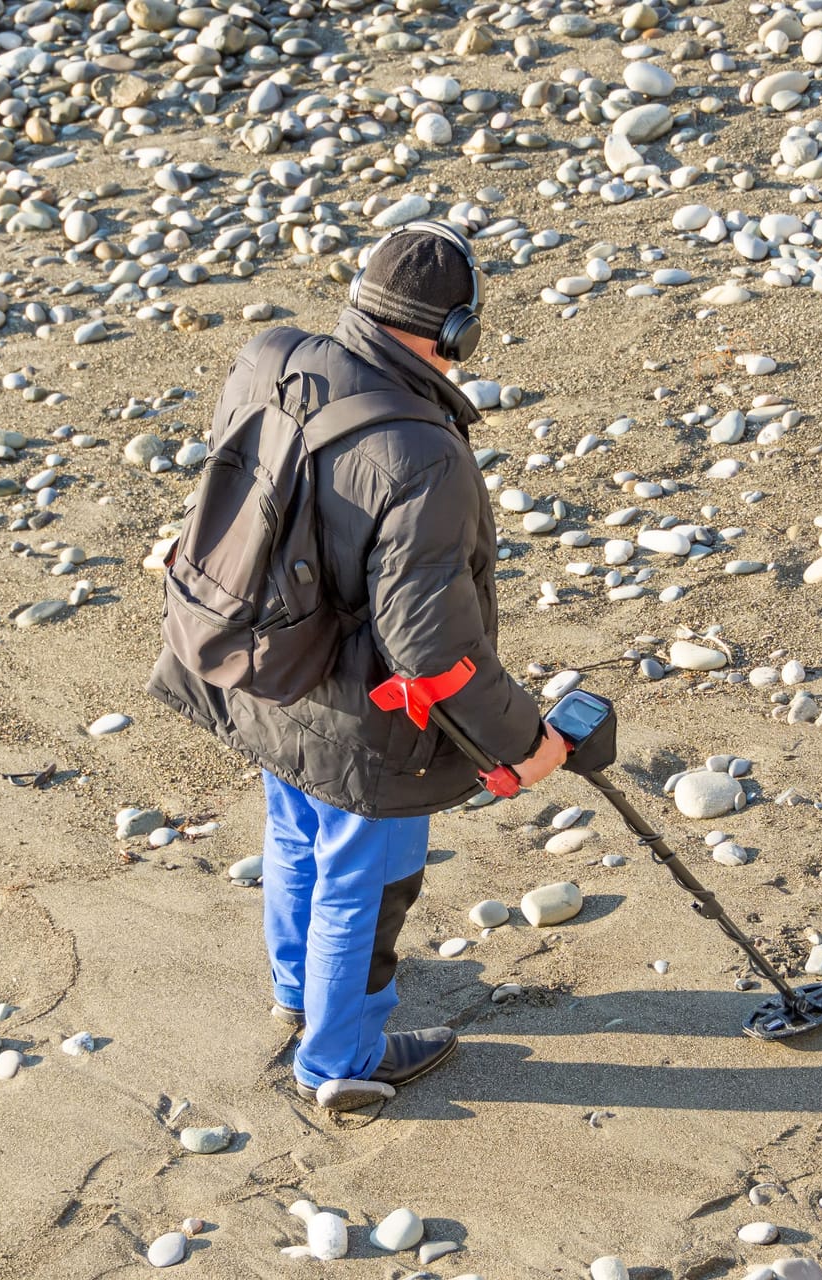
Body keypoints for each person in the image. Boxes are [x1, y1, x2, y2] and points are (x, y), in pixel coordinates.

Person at [148, 222, 569, 1111]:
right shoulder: (425, 454)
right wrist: (525, 744)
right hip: (362, 725)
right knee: (366, 882)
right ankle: (340, 1061)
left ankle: (298, 993)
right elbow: (434, 649)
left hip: (265, 674)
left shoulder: (270, 356)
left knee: (296, 838)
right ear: (454, 336)